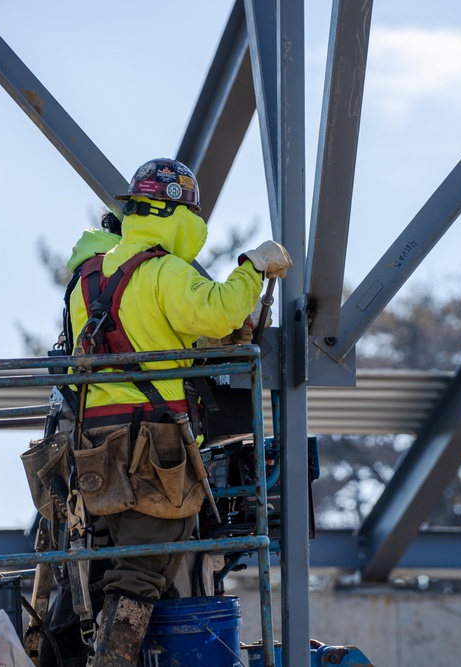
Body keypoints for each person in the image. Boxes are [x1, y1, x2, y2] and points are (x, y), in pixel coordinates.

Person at [68, 157, 292, 666]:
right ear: (180, 214)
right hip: (153, 441)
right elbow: (214, 309)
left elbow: (142, 328)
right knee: (145, 562)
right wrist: (252, 270)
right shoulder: (161, 269)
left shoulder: (87, 278)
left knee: (103, 559)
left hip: (94, 442)